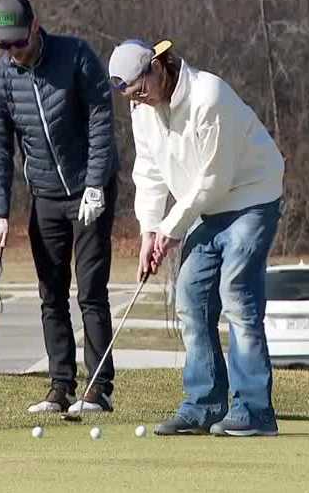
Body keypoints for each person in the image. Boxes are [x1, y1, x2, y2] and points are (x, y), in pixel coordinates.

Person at [108, 39, 285, 436]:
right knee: (190, 296)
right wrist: (148, 232)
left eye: (141, 89)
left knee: (237, 293)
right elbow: (150, 174)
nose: (140, 100)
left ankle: (255, 411)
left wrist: (171, 230)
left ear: (157, 67)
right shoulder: (143, 110)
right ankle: (203, 405)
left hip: (252, 197)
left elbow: (213, 179)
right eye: (131, 96)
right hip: (206, 208)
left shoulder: (209, 96)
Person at [0, 0, 119, 414]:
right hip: (46, 196)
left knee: (91, 291)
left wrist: (96, 184)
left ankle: (98, 388)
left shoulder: (75, 56)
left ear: (36, 27)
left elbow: (100, 118)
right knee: (51, 293)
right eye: (3, 46)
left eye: (17, 43)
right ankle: (60, 387)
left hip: (90, 190)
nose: (12, 53)